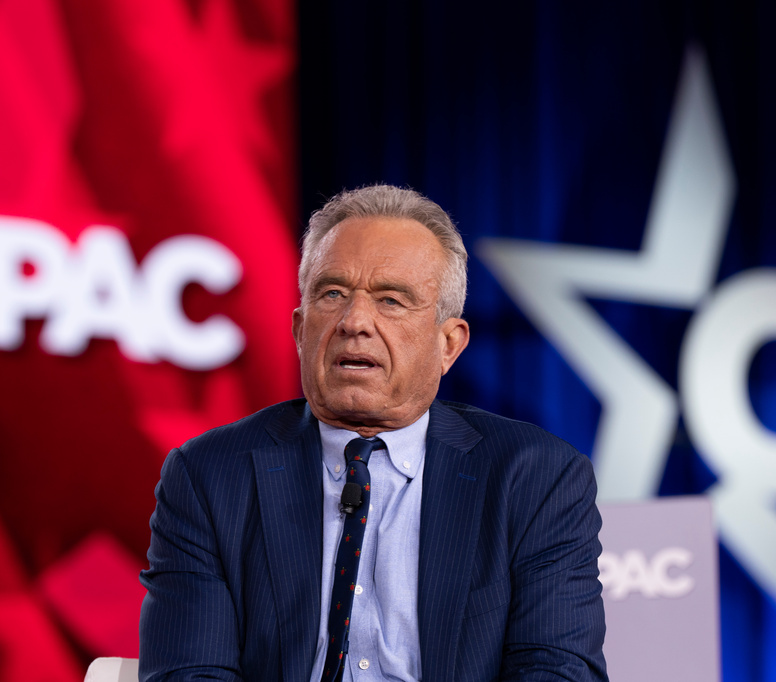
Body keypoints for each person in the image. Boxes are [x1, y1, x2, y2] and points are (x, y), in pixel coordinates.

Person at [138, 185, 608, 681]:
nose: (354, 321)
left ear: (449, 344)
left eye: (391, 300)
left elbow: (557, 672)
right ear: (300, 331)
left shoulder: (536, 478)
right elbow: (188, 673)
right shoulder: (210, 476)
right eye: (333, 293)